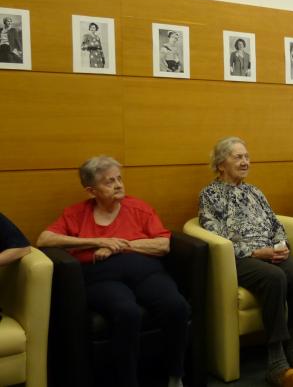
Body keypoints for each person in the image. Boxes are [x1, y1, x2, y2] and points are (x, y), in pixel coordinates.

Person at [37, 156, 189, 387]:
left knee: (176, 305)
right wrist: (97, 241)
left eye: (119, 179)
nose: (118, 185)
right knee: (127, 312)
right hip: (101, 277)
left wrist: (119, 245)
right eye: (109, 182)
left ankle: (175, 376)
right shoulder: (76, 214)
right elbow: (44, 239)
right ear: (91, 191)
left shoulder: (139, 208)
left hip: (145, 272)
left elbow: (163, 244)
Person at [198, 137, 293, 386]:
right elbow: (215, 233)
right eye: (238, 157)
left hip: (270, 252)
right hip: (240, 257)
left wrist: (280, 246)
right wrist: (256, 252)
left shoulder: (255, 192)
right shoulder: (210, 195)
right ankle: (275, 358)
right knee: (275, 277)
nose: (245, 162)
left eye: (247, 157)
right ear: (221, 164)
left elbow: (275, 223)